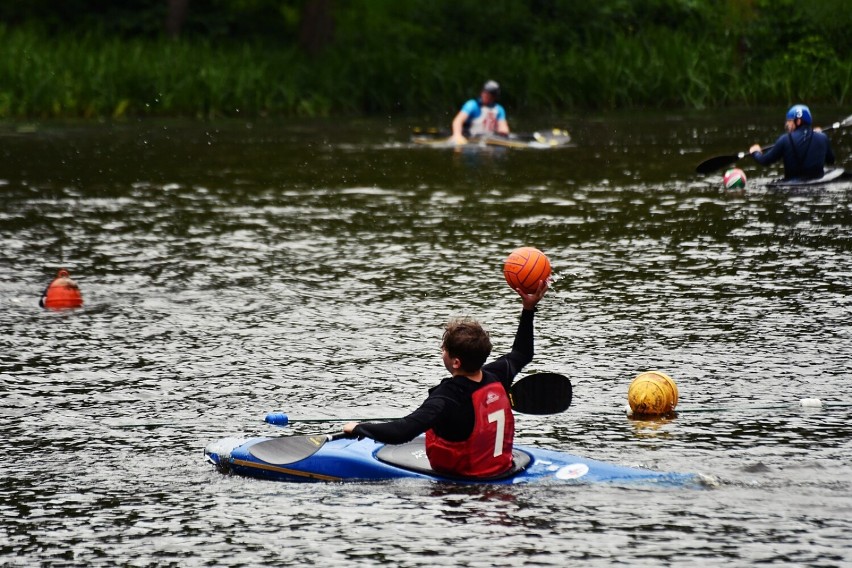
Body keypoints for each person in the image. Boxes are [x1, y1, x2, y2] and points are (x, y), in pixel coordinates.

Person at [343, 280, 547, 478]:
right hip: (501, 470)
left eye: (444, 350)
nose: (442, 352)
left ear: (456, 362)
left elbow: (402, 432)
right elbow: (522, 353)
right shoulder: (497, 375)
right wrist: (528, 308)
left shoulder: (448, 398)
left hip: (466, 485)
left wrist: (359, 427)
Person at [749, 104, 835, 180]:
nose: (787, 124)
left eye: (789, 121)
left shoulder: (785, 139)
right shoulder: (823, 137)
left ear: (798, 121)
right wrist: (821, 135)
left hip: (792, 187)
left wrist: (755, 152)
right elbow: (831, 160)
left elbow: (765, 161)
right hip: (817, 184)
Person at [450, 80, 510, 145]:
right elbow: (458, 121)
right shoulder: (472, 105)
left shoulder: (499, 109)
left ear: (494, 97)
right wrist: (457, 135)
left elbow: (503, 127)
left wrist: (503, 132)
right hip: (469, 137)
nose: (485, 95)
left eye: (489, 94)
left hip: (488, 138)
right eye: (485, 92)